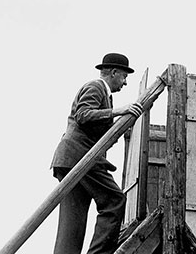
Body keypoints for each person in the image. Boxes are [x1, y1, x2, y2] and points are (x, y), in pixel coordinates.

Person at [50, 53, 143, 254]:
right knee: (114, 200)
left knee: (72, 222)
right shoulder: (96, 87)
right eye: (124, 76)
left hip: (69, 158)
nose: (125, 83)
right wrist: (117, 111)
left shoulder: (104, 94)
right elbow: (83, 115)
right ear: (114, 72)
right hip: (79, 156)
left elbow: (96, 128)